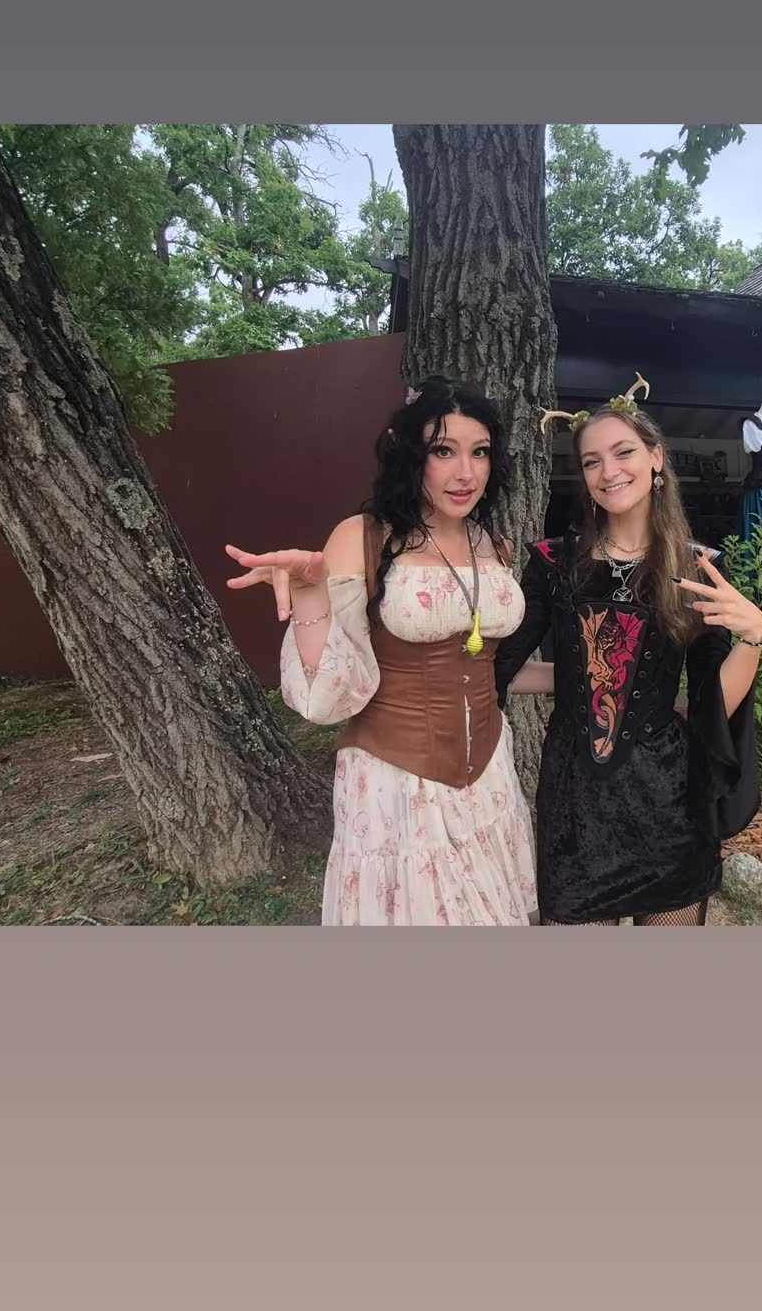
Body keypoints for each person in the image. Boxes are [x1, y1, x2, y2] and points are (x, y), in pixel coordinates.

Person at [226, 376, 542, 926]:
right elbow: (325, 700)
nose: (466, 473)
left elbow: (488, 666)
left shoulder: (494, 545)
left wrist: (597, 681)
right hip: (398, 786)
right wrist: (309, 594)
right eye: (443, 451)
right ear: (410, 453)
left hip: (488, 775)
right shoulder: (362, 537)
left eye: (480, 452)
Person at [494, 375, 762, 926]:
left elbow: (713, 702)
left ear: (656, 458)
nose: (609, 471)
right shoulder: (553, 562)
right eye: (592, 461)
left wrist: (754, 636)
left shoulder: (697, 568)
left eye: (623, 452)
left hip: (670, 803)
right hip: (575, 807)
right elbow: (498, 667)